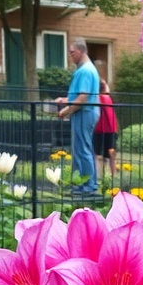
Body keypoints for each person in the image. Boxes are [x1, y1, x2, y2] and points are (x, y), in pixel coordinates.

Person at [56, 39, 100, 195]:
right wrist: (66, 101)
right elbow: (80, 95)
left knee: (82, 150)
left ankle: (88, 186)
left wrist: (66, 110)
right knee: (82, 148)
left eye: (72, 52)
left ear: (81, 51)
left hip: (84, 113)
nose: (70, 56)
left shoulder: (85, 71)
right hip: (86, 112)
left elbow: (83, 98)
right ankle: (82, 185)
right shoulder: (87, 69)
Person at [93, 78, 118, 178]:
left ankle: (98, 175)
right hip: (108, 129)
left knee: (98, 154)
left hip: (100, 129)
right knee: (110, 154)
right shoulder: (106, 98)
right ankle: (113, 174)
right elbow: (110, 114)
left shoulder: (98, 98)